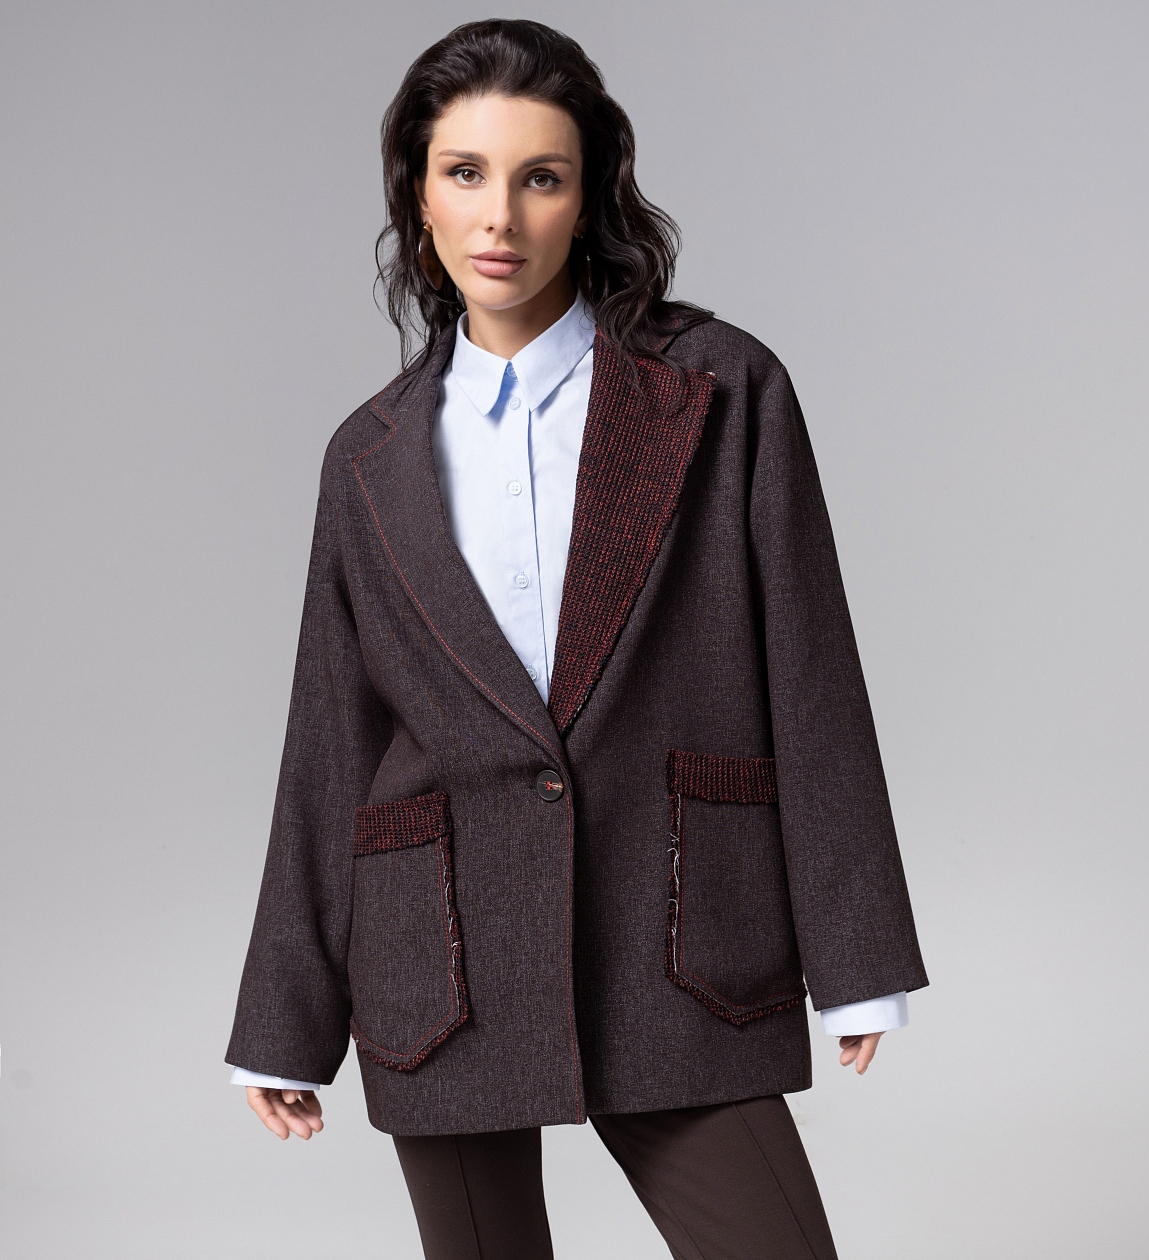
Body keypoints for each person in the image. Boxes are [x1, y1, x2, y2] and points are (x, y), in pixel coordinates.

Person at [226, 18, 927, 1259]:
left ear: (589, 196)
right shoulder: (367, 458)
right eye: (465, 173)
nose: (499, 216)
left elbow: (811, 674)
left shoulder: (720, 389)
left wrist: (856, 948)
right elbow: (329, 746)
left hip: (681, 930)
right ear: (419, 195)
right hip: (438, 953)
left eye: (540, 177)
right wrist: (284, 1022)